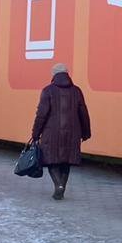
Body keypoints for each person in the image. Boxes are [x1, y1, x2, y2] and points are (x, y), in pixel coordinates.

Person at [30, 63, 91, 200]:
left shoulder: (48, 90)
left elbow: (41, 114)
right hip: (73, 133)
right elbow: (83, 112)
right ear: (67, 74)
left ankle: (58, 186)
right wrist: (86, 132)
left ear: (53, 75)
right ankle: (61, 187)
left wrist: (35, 133)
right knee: (66, 161)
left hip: (51, 132)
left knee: (52, 161)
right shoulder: (76, 91)